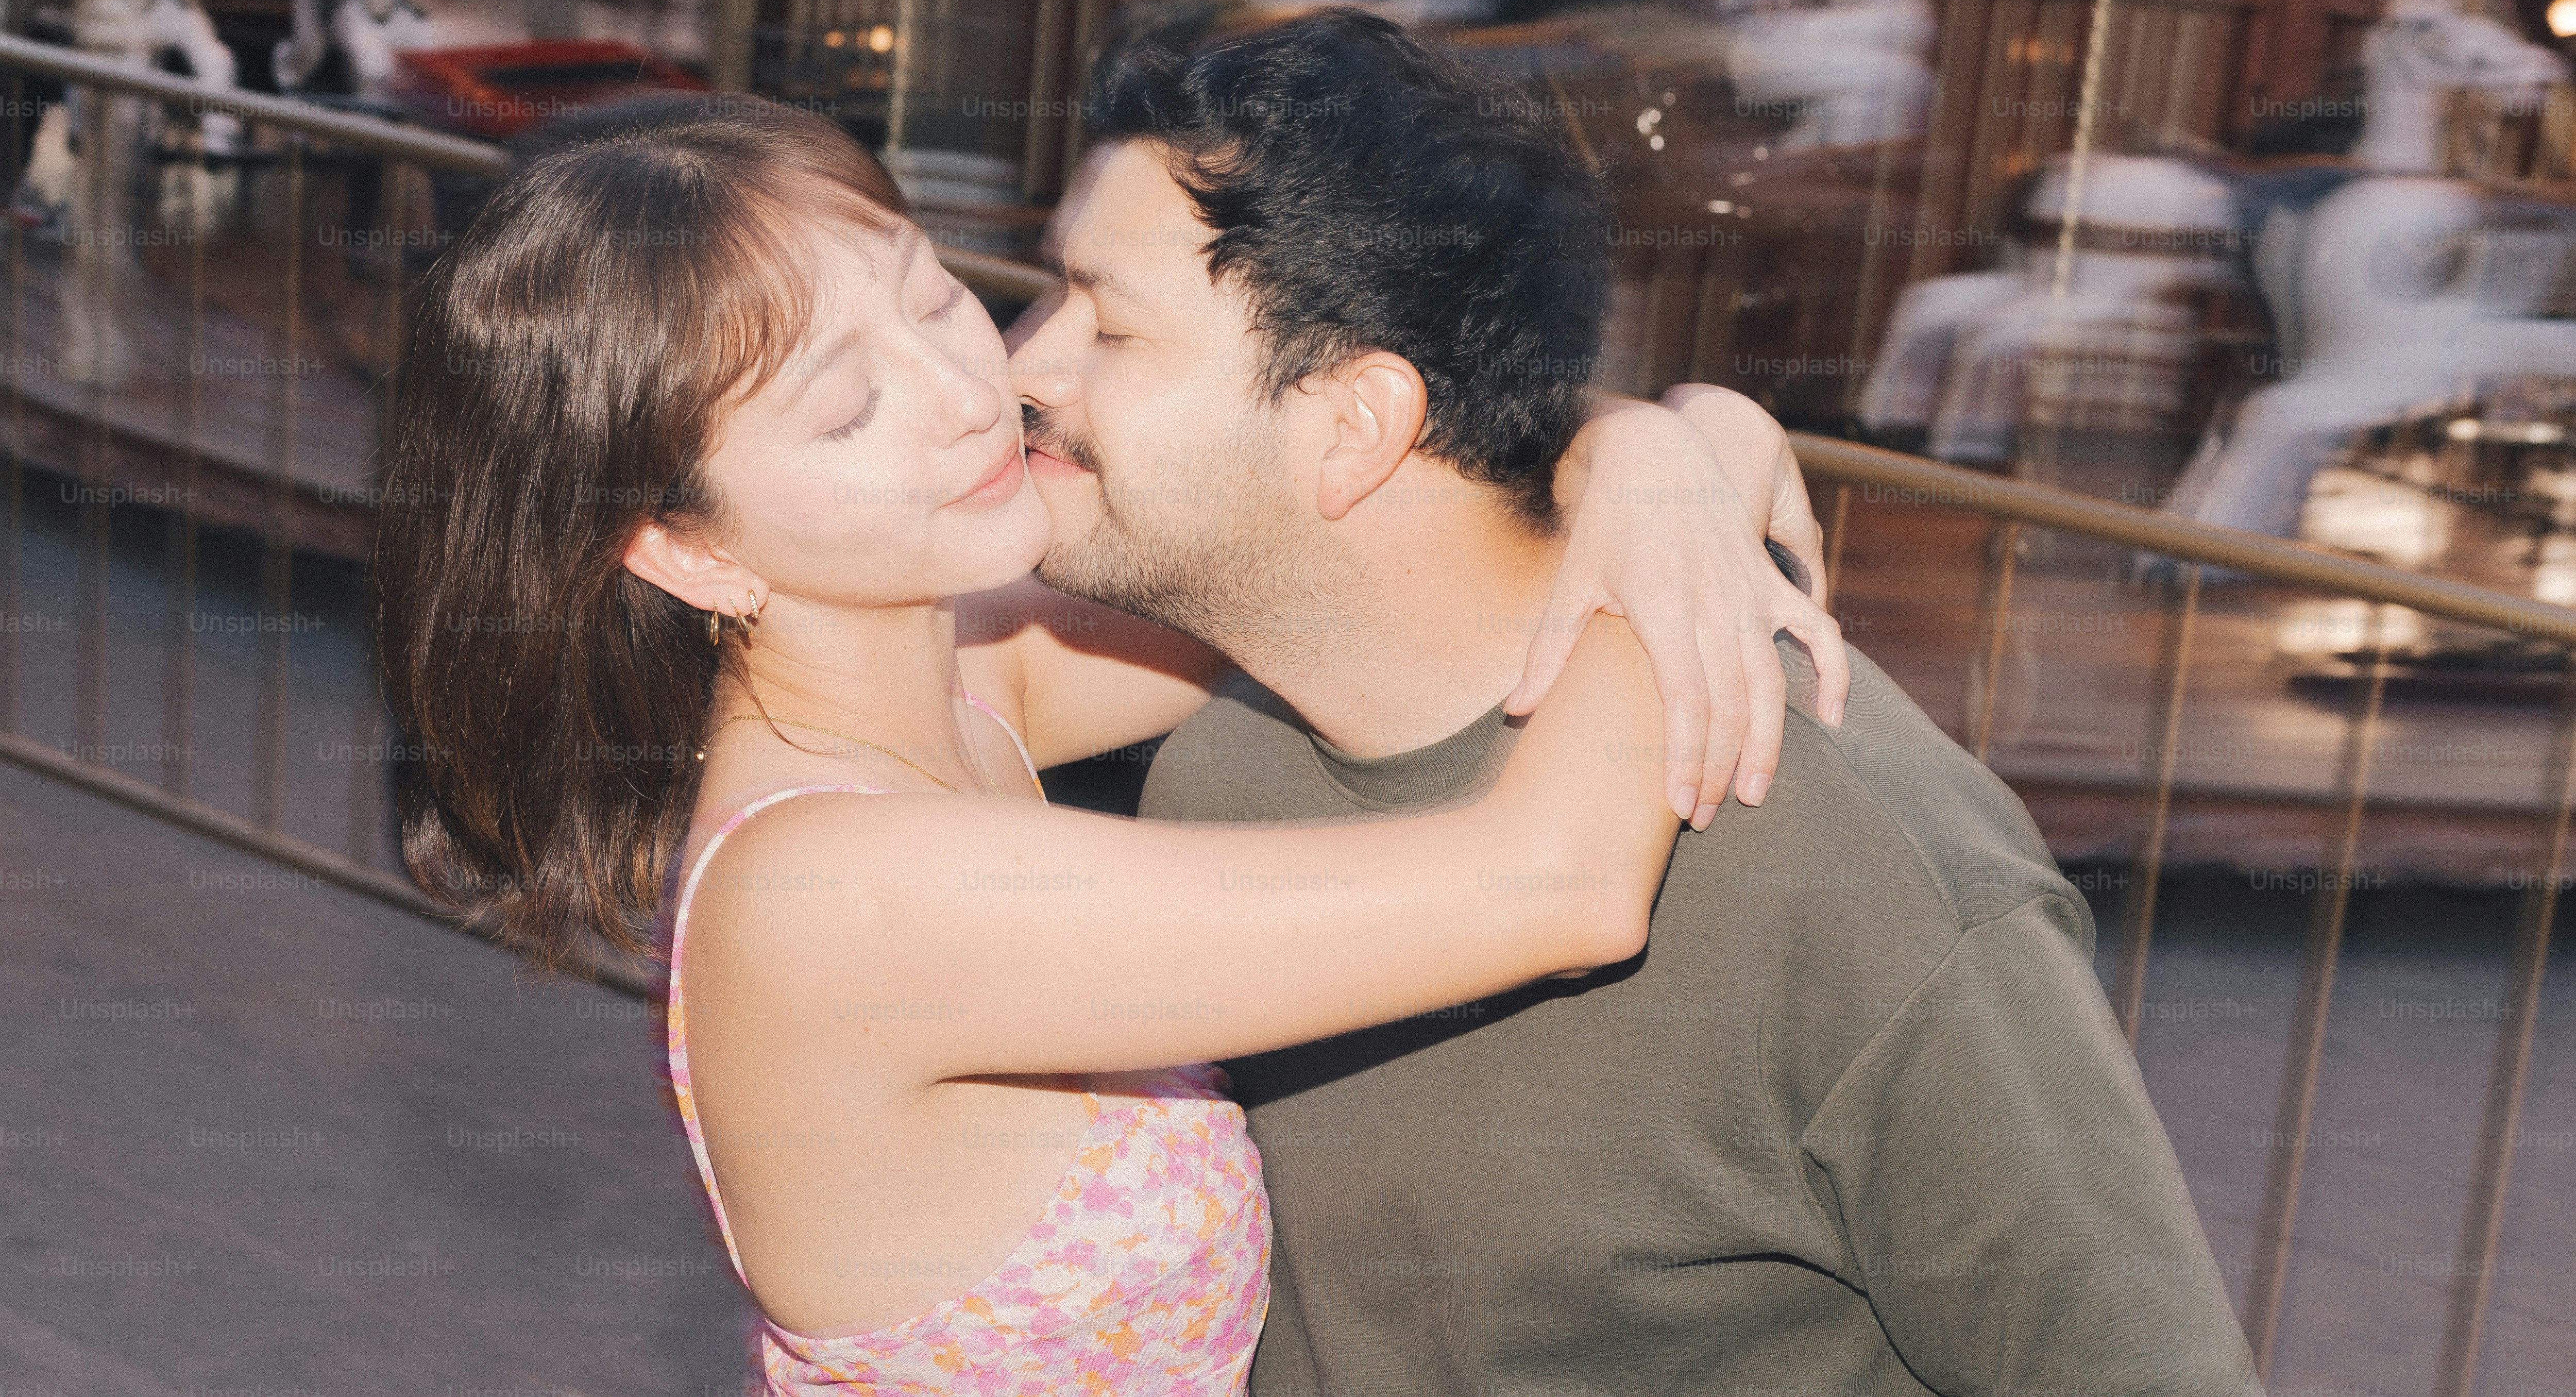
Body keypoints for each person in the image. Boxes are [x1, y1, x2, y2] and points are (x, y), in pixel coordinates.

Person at [369, 91, 1843, 1392]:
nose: (971, 394)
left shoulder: (974, 677)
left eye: (933, 296)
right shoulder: (834, 898)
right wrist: (1687, 480)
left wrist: (1647, 437)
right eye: (850, 408)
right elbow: (1556, 886)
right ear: (685, 549)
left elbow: (1356, 492)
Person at [1007, 8, 2267, 1394]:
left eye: (1108, 324)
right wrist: (1670, 429)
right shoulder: (1219, 764)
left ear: (1357, 426)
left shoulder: (1842, 856)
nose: (1025, 368)